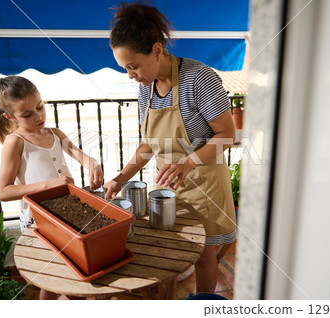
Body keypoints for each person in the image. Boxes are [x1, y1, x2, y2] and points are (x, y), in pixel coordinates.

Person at [104, 2, 237, 293]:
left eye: (132, 66)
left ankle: (203, 305)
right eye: (125, 68)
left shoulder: (198, 78)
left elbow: (227, 134)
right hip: (170, 186)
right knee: (172, 251)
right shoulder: (145, 87)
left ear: (156, 49)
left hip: (204, 186)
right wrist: (121, 177)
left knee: (203, 256)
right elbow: (148, 144)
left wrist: (187, 163)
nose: (130, 75)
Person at [0, 75, 103, 299]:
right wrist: (50, 184)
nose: (38, 116)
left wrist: (93, 164)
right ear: (9, 116)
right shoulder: (15, 142)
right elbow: (3, 191)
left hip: (67, 214)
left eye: (40, 107)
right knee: (50, 276)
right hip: (38, 219)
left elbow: (82, 156)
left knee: (70, 273)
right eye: (27, 114)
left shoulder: (55, 133)